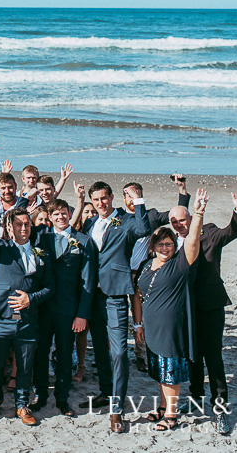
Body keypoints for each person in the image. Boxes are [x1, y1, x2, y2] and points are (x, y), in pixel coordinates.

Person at [134, 189, 208, 432]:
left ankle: (172, 416)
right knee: (158, 371)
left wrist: (197, 212)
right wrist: (139, 324)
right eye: (161, 244)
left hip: (171, 328)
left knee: (170, 373)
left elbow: (194, 240)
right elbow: (138, 294)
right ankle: (164, 408)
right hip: (152, 328)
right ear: (153, 245)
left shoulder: (180, 265)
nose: (165, 247)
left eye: (170, 244)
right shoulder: (147, 265)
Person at [78, 181, 150, 433]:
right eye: (95, 200)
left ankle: (117, 409)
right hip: (91, 295)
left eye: (104, 198)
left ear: (111, 197)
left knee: (118, 352)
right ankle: (106, 392)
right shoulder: (90, 223)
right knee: (99, 348)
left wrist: (138, 200)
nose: (100, 203)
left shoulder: (127, 220)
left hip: (115, 294)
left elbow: (143, 229)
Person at [179, 188, 237, 434]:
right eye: (174, 222)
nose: (179, 225)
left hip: (210, 305)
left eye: (182, 220)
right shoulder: (172, 240)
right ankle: (196, 396)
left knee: (214, 357)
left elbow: (232, 232)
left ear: (190, 219)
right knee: (192, 356)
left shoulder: (208, 232)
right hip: (185, 309)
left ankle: (220, 410)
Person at [0, 203, 54, 425]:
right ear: (10, 228)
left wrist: (31, 298)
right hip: (2, 317)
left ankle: (22, 404)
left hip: (29, 319)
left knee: (25, 364)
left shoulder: (42, 253)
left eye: (27, 224)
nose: (23, 228)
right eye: (18, 224)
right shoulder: (2, 248)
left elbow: (50, 287)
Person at [31, 198, 97, 416]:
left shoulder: (84, 241)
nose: (60, 217)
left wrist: (82, 314)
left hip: (68, 308)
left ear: (70, 213)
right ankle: (40, 395)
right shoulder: (42, 237)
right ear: (50, 217)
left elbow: (88, 281)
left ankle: (62, 398)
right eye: (56, 214)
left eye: (64, 213)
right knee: (40, 353)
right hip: (43, 307)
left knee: (65, 354)